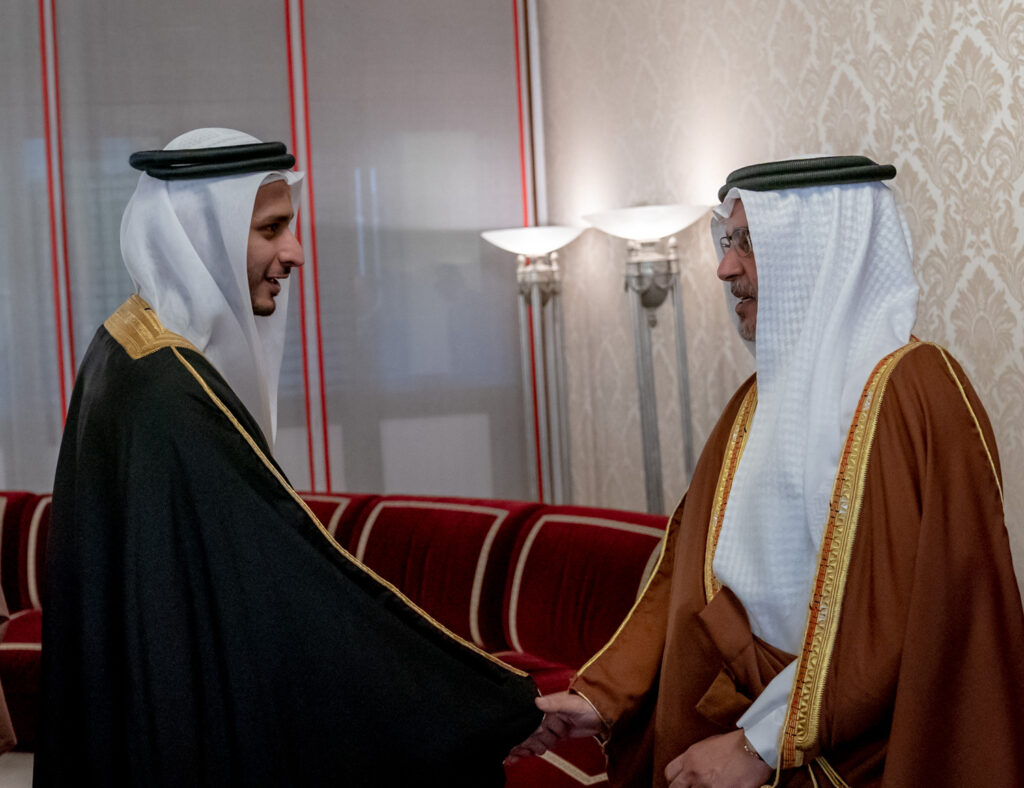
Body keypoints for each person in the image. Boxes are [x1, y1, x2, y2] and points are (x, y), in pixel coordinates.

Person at [37, 128, 539, 786]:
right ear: (202, 235)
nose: (294, 252)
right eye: (270, 229)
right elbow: (294, 582)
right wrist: (485, 703)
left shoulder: (126, 344)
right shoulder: (172, 392)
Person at [508, 156, 1024, 787]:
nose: (725, 268)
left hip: (860, 755)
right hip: (731, 727)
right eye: (728, 242)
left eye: (749, 244)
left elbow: (910, 620)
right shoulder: (755, 401)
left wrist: (759, 746)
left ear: (823, 249)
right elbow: (686, 573)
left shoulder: (915, 391)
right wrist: (601, 696)